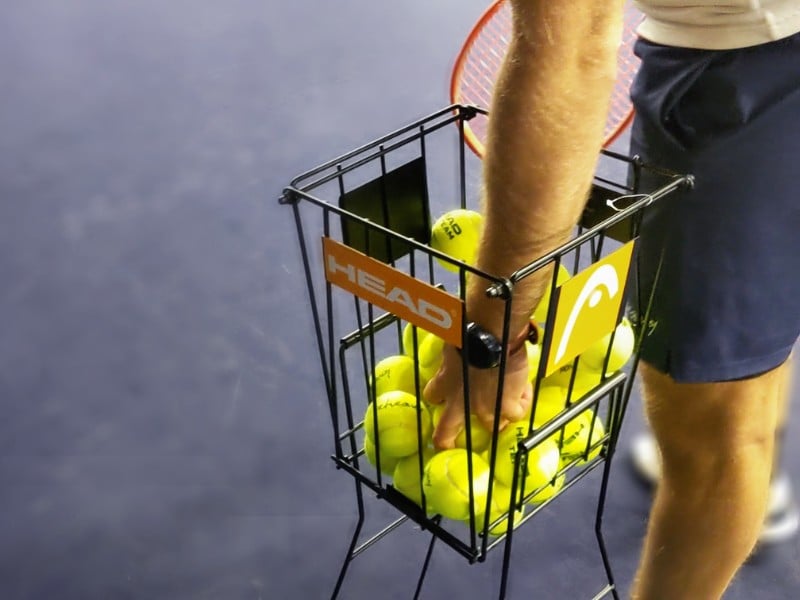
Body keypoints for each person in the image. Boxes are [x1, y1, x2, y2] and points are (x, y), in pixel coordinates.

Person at [424, 1, 800, 598]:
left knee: (713, 437)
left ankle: (729, 470)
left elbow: (570, 54)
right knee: (746, 366)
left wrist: (494, 335)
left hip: (750, 68)